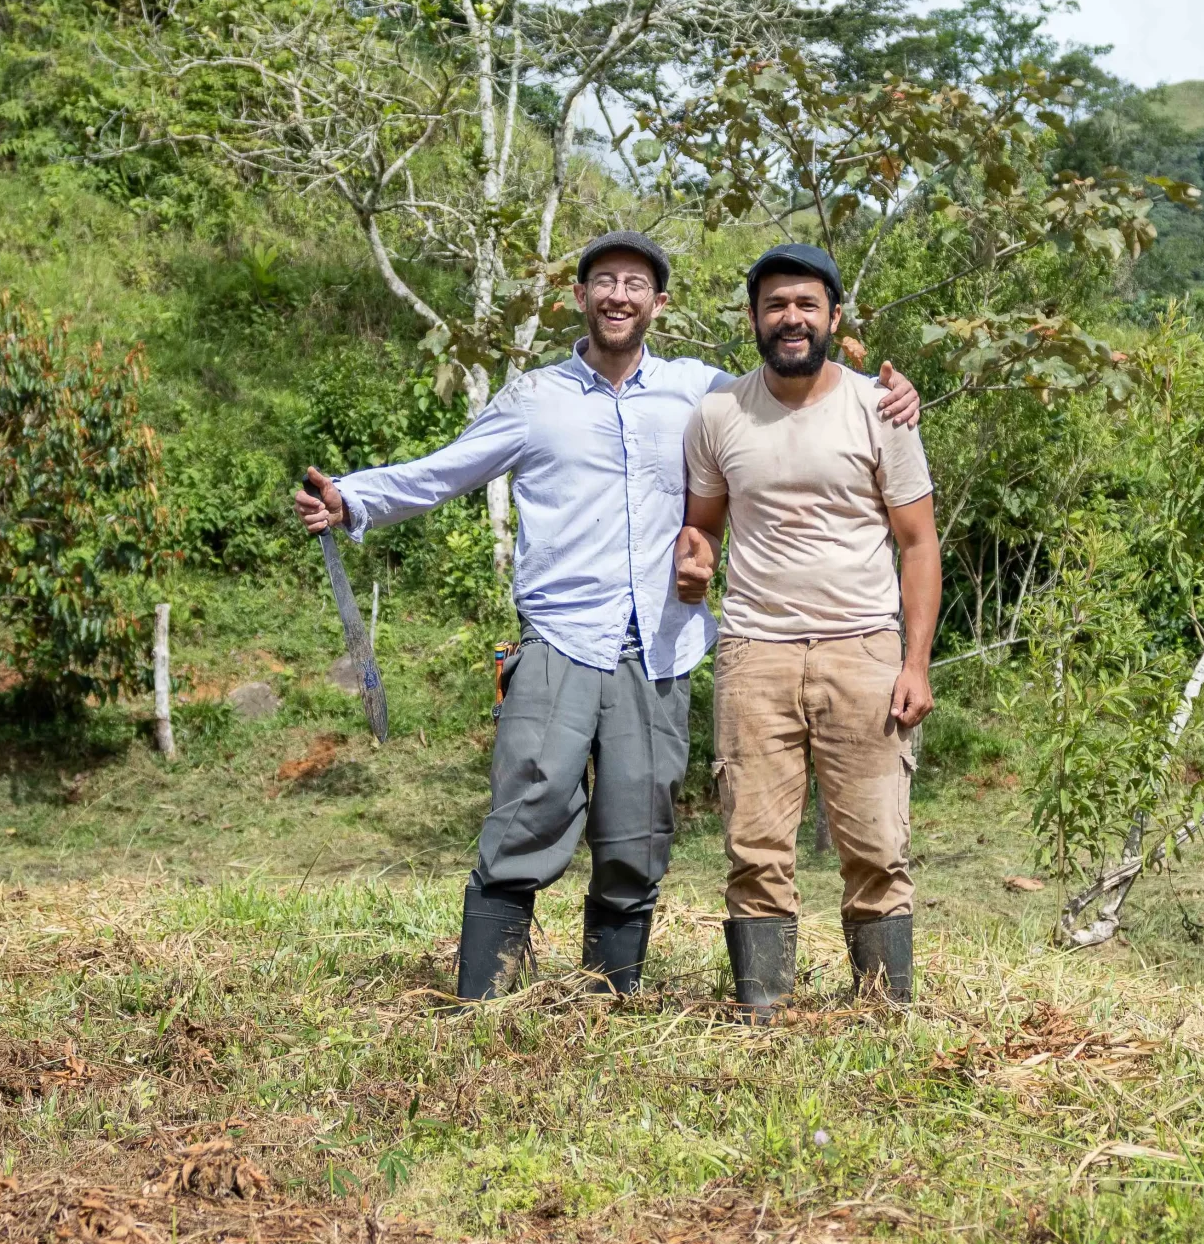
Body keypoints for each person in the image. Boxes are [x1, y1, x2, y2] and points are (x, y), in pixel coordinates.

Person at [293, 232, 921, 1001]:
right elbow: (446, 470)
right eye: (604, 282)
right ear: (581, 298)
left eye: (636, 284)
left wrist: (892, 392)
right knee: (529, 809)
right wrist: (353, 496)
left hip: (657, 646)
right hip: (561, 637)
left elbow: (793, 387)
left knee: (638, 835)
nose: (619, 295)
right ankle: (488, 999)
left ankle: (607, 999)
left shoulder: (704, 390)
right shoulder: (534, 398)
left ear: (660, 304)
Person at [676, 243, 940, 1018]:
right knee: (754, 845)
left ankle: (882, 1011)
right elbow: (704, 528)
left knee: (877, 845)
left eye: (806, 304)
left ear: (833, 316)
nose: (791, 318)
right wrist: (694, 562)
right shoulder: (719, 413)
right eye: (775, 305)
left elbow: (918, 542)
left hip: (862, 648)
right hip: (754, 651)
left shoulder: (879, 409)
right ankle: (764, 1010)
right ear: (754, 318)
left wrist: (915, 663)